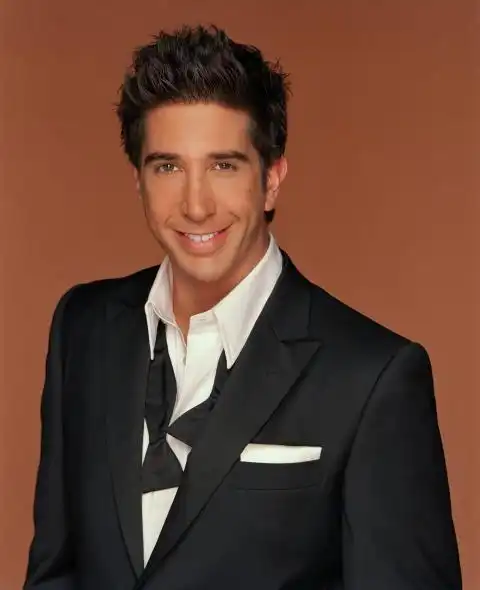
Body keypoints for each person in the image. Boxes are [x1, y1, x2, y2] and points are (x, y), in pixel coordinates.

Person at [24, 24, 462, 590]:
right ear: (138, 180)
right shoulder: (82, 330)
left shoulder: (372, 377)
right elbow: (55, 572)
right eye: (168, 166)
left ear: (272, 178)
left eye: (224, 165)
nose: (196, 204)